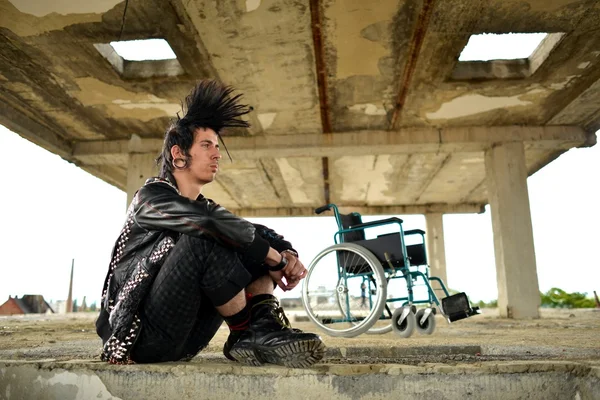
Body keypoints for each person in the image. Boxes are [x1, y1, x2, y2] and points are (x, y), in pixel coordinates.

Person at [95, 80, 325, 367]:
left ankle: (261, 329)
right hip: (138, 337)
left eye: (216, 146)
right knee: (210, 235)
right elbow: (207, 223)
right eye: (207, 146)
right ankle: (246, 330)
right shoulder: (150, 198)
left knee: (244, 239)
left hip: (188, 337)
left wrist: (286, 254)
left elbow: (256, 233)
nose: (217, 154)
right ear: (178, 154)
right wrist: (273, 258)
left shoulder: (207, 210)